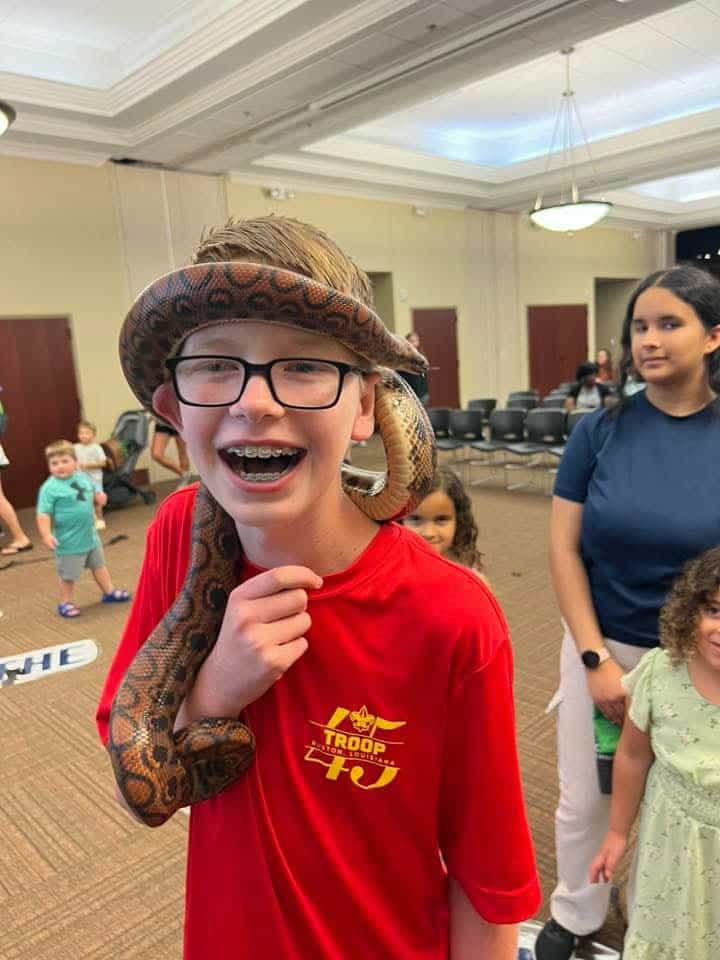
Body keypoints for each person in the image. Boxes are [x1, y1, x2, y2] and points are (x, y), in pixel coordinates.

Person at [95, 216, 540, 960]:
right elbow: (138, 785)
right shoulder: (177, 529)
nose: (256, 403)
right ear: (171, 407)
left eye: (303, 365)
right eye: (216, 365)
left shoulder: (451, 613)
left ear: (367, 406)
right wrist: (213, 691)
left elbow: (488, 884)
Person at [535, 264, 720, 960]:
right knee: (587, 799)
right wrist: (594, 659)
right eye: (640, 325)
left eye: (670, 324)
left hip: (700, 657)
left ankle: (658, 918)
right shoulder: (600, 432)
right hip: (604, 644)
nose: (649, 339)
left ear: (713, 336)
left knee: (682, 798)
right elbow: (563, 550)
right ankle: (577, 911)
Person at [589, 545, 720, 959]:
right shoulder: (660, 672)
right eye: (714, 610)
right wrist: (617, 832)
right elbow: (632, 756)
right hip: (670, 842)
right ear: (690, 610)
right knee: (665, 933)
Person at [37, 440, 130, 618]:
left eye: (64, 461)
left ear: (75, 462)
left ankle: (109, 591)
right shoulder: (49, 488)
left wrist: (99, 498)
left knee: (99, 566)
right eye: (54, 463)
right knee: (68, 575)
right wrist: (46, 534)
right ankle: (65, 602)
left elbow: (92, 494)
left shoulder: (82, 478)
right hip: (69, 542)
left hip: (90, 536)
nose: (60, 466)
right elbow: (43, 514)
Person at [402, 465, 487, 581]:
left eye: (441, 519)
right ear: (399, 520)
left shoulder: (470, 581)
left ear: (459, 521)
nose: (428, 533)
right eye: (416, 519)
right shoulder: (387, 574)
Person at [74, 420, 108, 530]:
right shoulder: (75, 448)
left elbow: (103, 463)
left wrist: (88, 465)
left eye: (87, 433)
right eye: (81, 433)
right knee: (82, 500)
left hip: (95, 480)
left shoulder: (97, 448)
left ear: (93, 435)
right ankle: (88, 520)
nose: (84, 435)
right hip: (80, 480)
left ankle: (100, 519)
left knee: (96, 500)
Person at [151, 417, 192, 489]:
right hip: (162, 422)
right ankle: (183, 473)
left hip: (179, 420)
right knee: (156, 454)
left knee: (182, 452)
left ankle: (185, 483)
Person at [399, 331, 430, 404]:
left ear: (418, 342)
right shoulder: (401, 356)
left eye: (415, 341)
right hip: (407, 394)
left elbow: (425, 369)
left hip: (421, 394)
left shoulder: (422, 355)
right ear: (406, 342)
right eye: (411, 341)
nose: (413, 343)